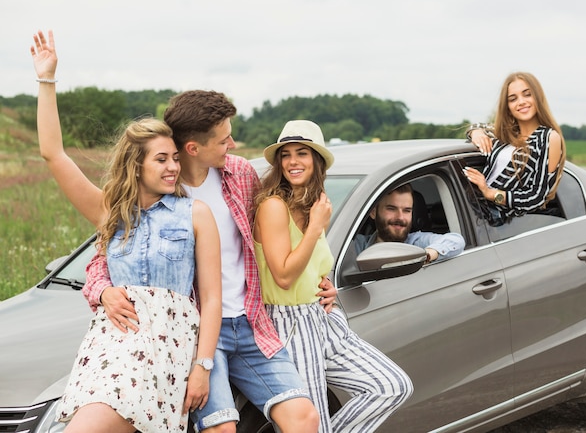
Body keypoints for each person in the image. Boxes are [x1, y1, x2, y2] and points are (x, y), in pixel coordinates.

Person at [81, 92, 338, 432]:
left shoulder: (240, 174)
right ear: (193, 148)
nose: (232, 144)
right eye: (224, 139)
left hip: (251, 322)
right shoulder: (161, 195)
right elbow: (109, 253)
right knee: (221, 428)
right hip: (198, 333)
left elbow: (277, 233)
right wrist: (102, 291)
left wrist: (318, 279)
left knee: (305, 416)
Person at [30, 30, 222, 433]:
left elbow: (211, 298)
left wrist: (203, 367)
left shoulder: (195, 214)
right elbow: (53, 154)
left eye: (174, 158)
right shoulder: (111, 213)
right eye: (161, 160)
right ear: (136, 166)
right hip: (111, 349)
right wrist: (46, 81)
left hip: (167, 350)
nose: (172, 167)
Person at [253, 120, 414, 433]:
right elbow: (284, 277)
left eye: (302, 153)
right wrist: (314, 228)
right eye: (286, 155)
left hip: (322, 318)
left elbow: (312, 265)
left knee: (391, 386)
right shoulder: (273, 207)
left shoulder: (317, 206)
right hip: (289, 324)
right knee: (310, 424)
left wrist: (327, 286)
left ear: (318, 160)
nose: (292, 162)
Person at [463, 72, 566, 220]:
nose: (521, 102)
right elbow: (476, 126)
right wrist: (476, 132)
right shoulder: (507, 133)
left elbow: (537, 197)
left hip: (494, 217)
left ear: (538, 97)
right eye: (513, 99)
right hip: (473, 205)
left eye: (527, 94)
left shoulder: (548, 137)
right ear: (508, 106)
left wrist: (491, 194)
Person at [353, 183, 465, 260]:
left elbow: (456, 240)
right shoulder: (356, 246)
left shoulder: (417, 243)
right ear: (373, 212)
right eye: (391, 209)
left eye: (407, 210)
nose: (400, 217)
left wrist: (426, 256)